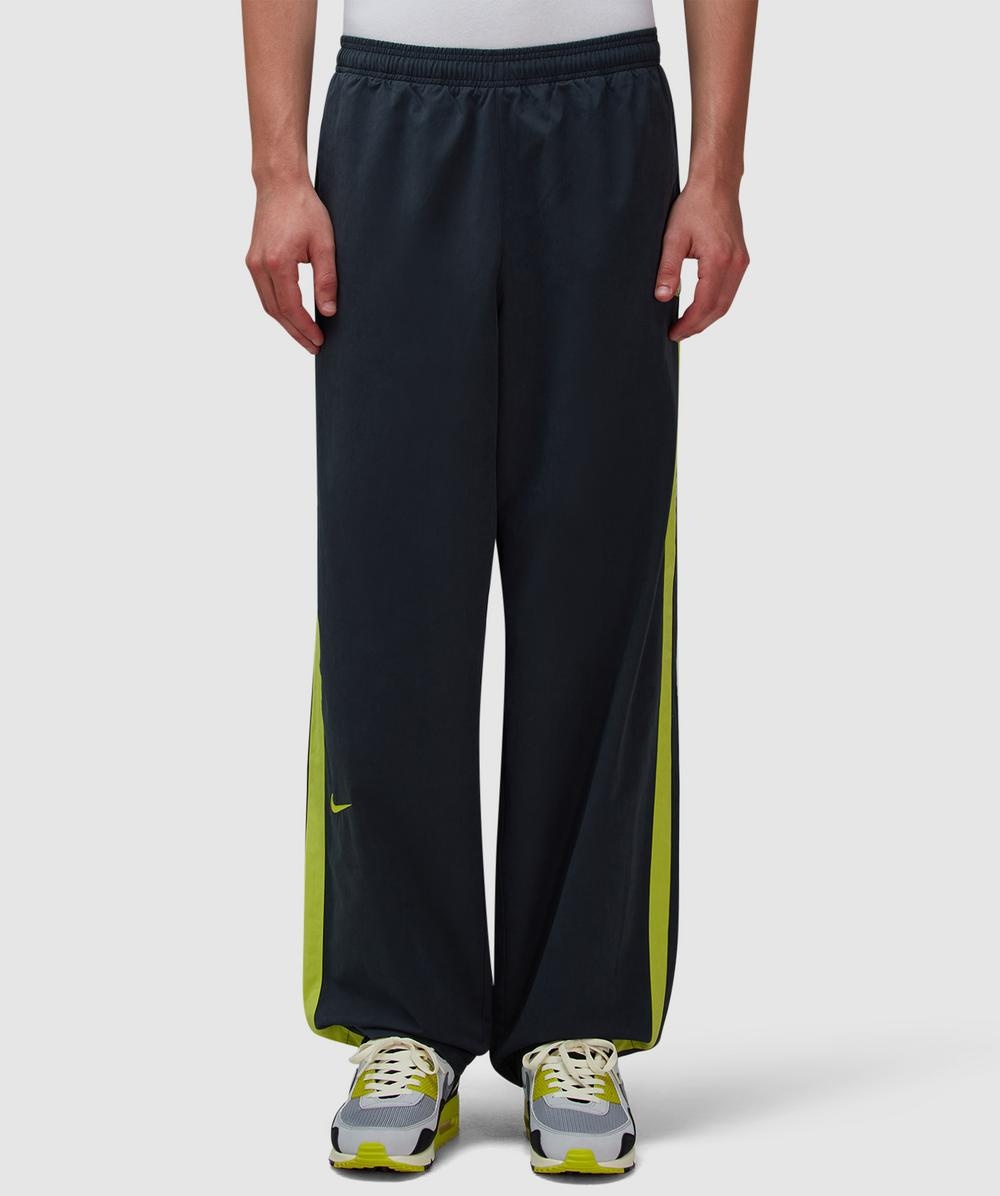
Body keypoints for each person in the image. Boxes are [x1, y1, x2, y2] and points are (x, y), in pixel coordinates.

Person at [242, 0, 756, 1176]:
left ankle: (574, 1014)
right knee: (387, 590)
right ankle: (403, 1015)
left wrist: (717, 173)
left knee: (596, 577)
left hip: (606, 114)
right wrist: (278, 171)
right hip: (392, 113)